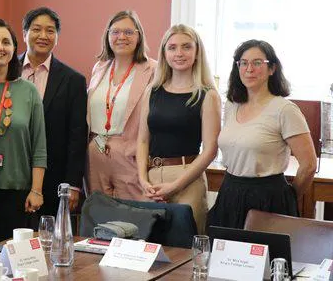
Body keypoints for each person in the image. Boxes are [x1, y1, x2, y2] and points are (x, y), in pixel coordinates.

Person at [206, 40, 317, 229]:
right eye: (243, 63)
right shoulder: (232, 106)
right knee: (224, 256)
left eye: (257, 63)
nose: (249, 69)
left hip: (268, 198)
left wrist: (288, 197)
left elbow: (309, 165)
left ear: (272, 68)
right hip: (230, 193)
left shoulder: (285, 109)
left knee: (266, 257)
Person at [136, 25, 221, 233]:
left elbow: (210, 150)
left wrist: (175, 186)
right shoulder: (152, 92)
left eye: (186, 47)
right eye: (172, 48)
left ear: (197, 52)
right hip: (152, 181)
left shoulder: (207, 95)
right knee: (149, 250)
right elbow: (142, 141)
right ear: (164, 53)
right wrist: (142, 179)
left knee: (186, 251)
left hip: (188, 179)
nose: (179, 53)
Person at [0, 18, 47, 245]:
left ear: (14, 50)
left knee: (13, 264)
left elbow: (39, 145)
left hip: (18, 194)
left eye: (6, 42)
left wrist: (36, 190)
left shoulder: (29, 91)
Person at [20, 7, 87, 215]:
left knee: (46, 239)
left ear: (57, 37)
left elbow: (77, 135)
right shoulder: (6, 70)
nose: (43, 36)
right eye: (36, 29)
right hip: (10, 172)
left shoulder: (73, 80)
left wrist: (73, 184)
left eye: (50, 31)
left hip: (54, 178)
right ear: (24, 33)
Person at [86, 10, 156, 200]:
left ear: (139, 36)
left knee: (131, 218)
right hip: (96, 154)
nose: (121, 37)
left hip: (130, 154)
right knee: (99, 217)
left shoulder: (153, 70)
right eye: (115, 32)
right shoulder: (99, 67)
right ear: (107, 36)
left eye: (128, 32)